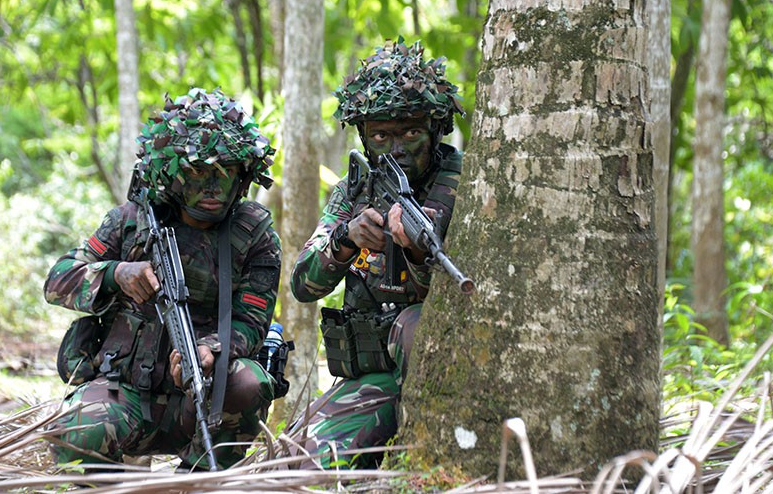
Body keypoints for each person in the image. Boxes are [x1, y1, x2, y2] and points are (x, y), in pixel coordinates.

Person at [44, 87, 282, 471]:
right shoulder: (131, 220)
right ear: (172, 172)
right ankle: (116, 476)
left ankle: (199, 476)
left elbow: (252, 322)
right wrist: (115, 274)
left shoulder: (253, 234)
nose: (212, 187)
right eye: (198, 171)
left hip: (199, 398)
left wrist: (211, 350)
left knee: (249, 384)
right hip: (124, 392)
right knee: (74, 432)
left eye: (226, 173)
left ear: (243, 176)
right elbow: (58, 280)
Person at [289, 37, 464, 468]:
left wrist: (418, 253)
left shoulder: (464, 185)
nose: (398, 148)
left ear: (436, 130)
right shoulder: (354, 190)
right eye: (382, 135)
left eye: (411, 132)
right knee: (295, 465)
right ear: (365, 138)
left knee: (414, 322)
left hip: (444, 374)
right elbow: (303, 284)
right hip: (371, 375)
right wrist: (347, 240)